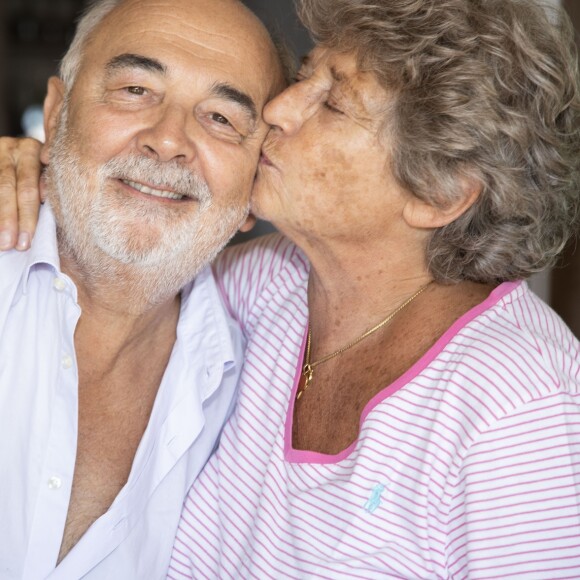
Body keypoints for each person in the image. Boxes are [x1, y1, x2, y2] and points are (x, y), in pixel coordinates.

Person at [2, 0, 580, 578]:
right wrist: (40, 158)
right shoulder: (263, 289)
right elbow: (134, 239)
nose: (275, 111)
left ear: (439, 192)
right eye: (304, 75)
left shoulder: (521, 404)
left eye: (331, 101)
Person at [0, 0, 285, 578]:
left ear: (259, 181)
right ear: (55, 117)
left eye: (222, 119)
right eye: (135, 89)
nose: (168, 140)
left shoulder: (257, 387)